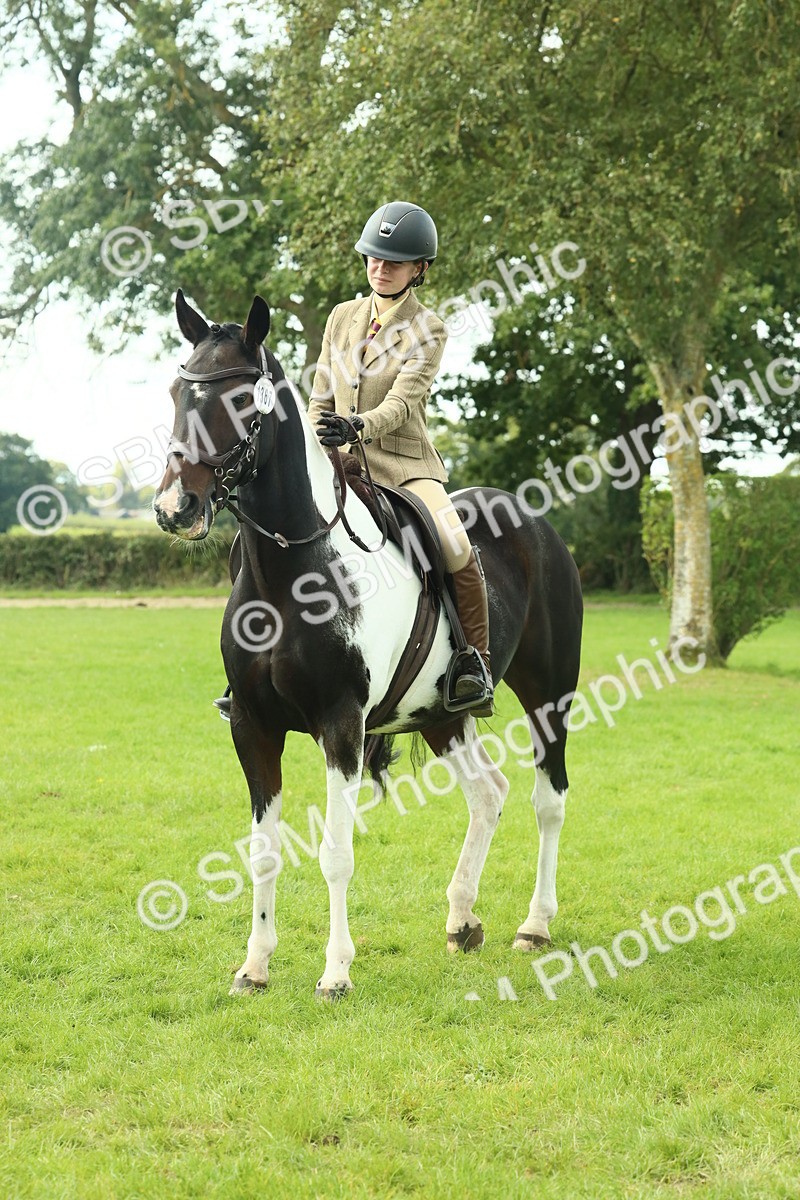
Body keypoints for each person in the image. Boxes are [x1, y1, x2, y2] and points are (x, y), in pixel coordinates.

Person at [306, 200, 493, 716]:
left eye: (394, 262)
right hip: (336, 460)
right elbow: (321, 393)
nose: (380, 268)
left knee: (455, 545)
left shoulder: (428, 328)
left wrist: (358, 426)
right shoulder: (341, 316)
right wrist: (315, 441)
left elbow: (402, 403)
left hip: (403, 466)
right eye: (374, 258)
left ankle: (473, 662)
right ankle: (254, 667)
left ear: (419, 269)